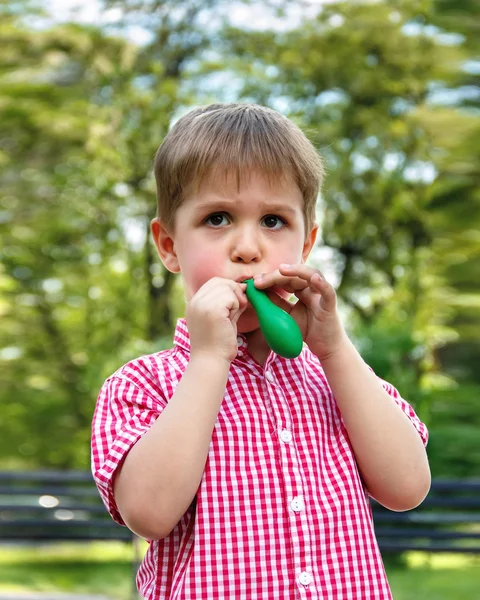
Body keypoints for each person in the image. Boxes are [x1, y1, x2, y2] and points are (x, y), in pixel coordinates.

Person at [91, 103, 430, 599]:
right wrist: (208, 361)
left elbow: (407, 487)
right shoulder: (142, 385)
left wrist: (334, 349)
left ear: (307, 244)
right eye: (218, 218)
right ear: (168, 245)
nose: (247, 247)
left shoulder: (338, 378)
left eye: (273, 220)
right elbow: (149, 514)